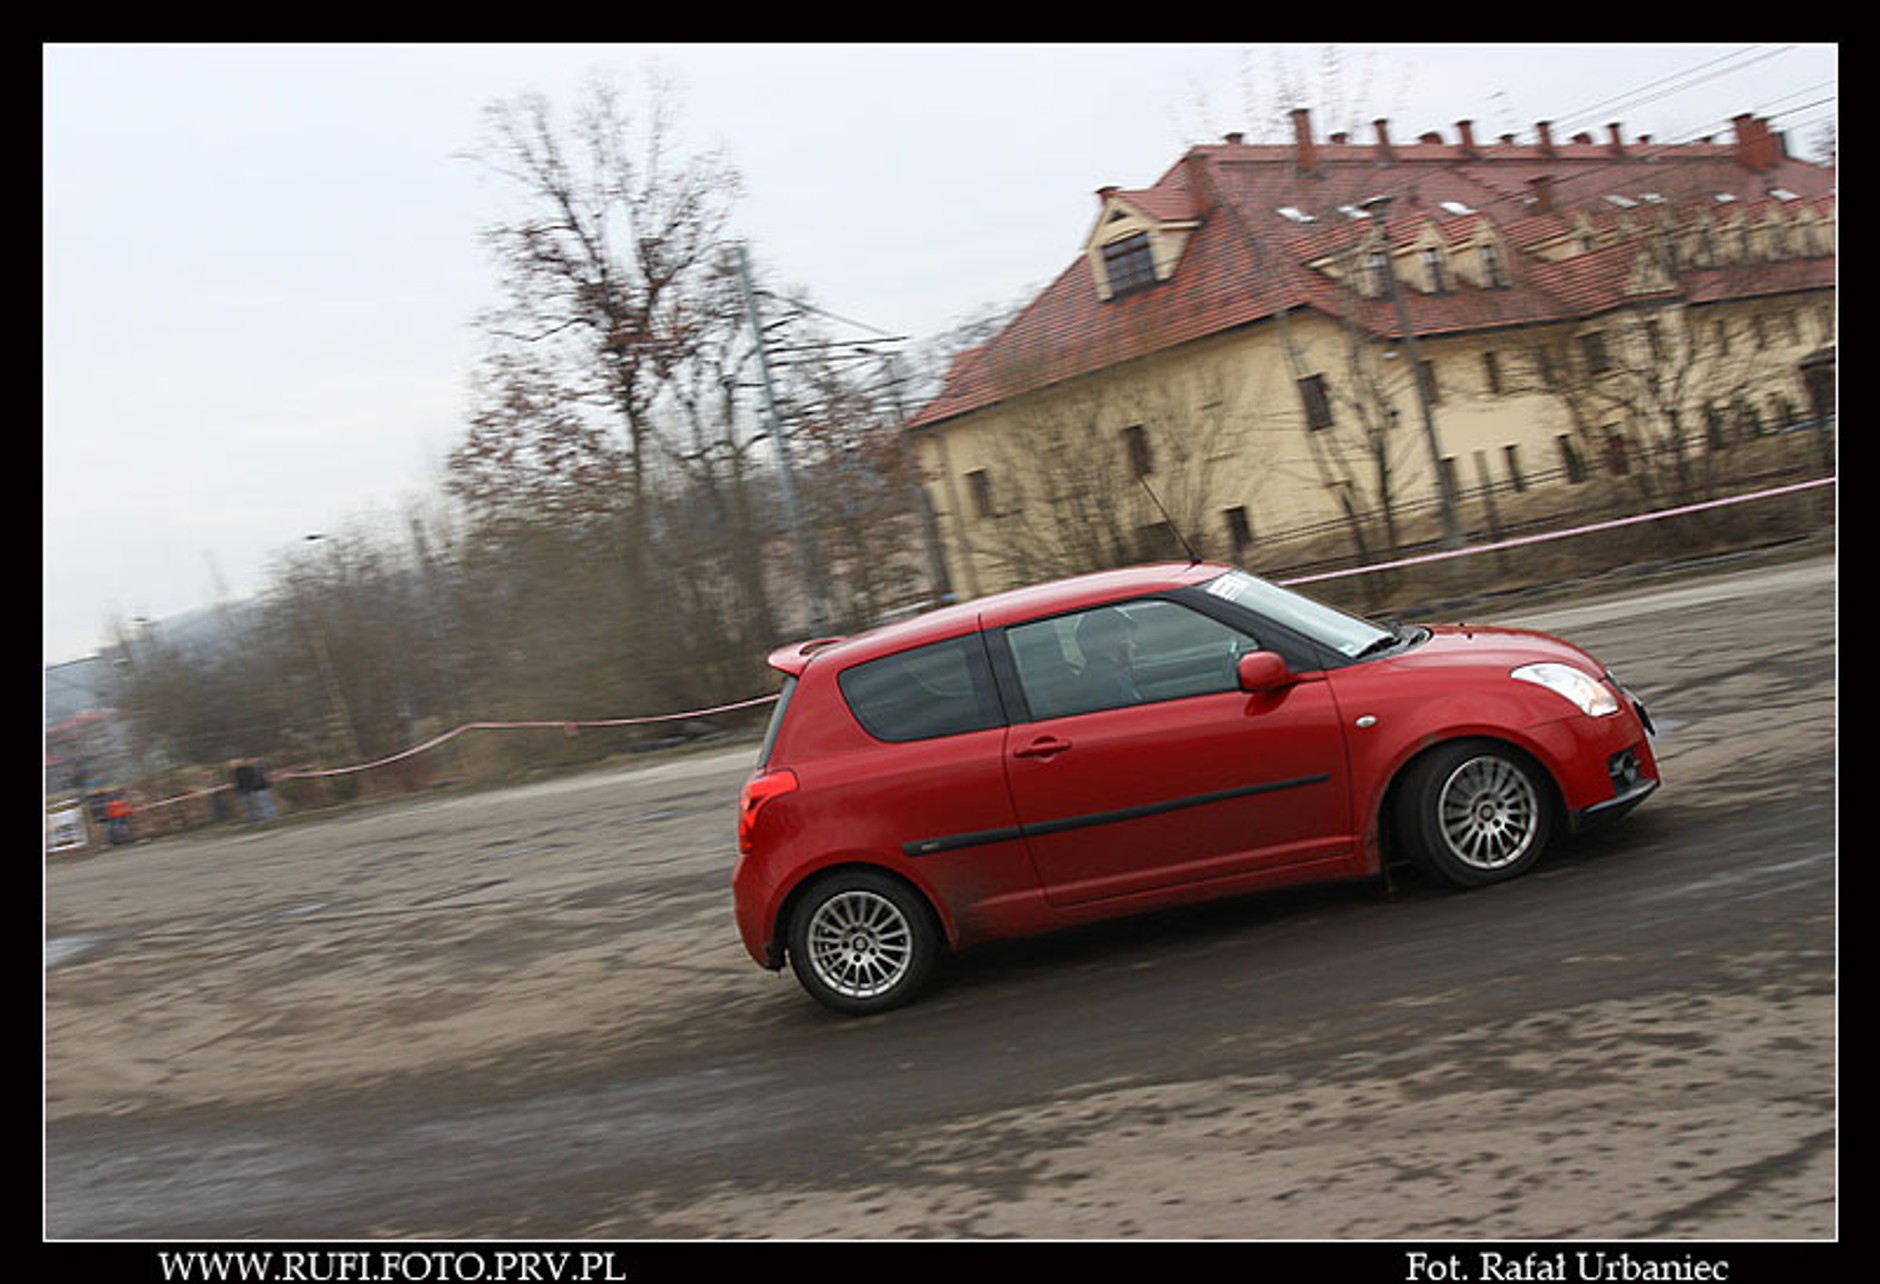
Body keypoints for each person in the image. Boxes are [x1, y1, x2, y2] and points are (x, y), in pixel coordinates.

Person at [1073, 609, 1143, 709]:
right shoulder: (1112, 684)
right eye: (1128, 638)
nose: (1134, 646)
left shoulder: (1092, 677)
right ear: (1117, 640)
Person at [231, 757, 280, 823]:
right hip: (254, 788)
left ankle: (272, 817)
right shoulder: (242, 770)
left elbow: (256, 778)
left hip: (259, 787)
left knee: (264, 802)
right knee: (257, 804)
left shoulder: (254, 768)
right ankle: (265, 817)